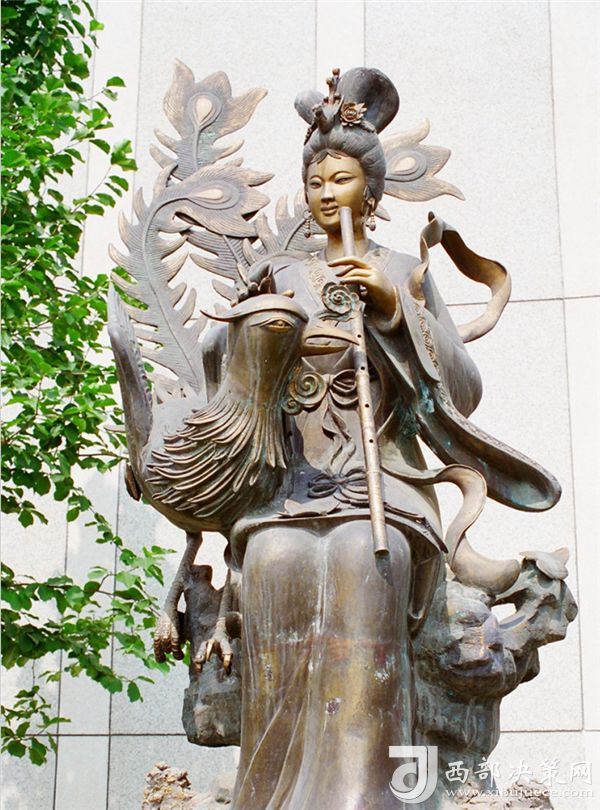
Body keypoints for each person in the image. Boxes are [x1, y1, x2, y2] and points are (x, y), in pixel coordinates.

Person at [221, 68, 560, 810]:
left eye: (340, 179)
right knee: (274, 564)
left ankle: (368, 791)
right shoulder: (278, 273)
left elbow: (461, 386)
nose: (324, 193)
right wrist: (255, 332)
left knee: (362, 563)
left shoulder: (402, 272)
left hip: (384, 488)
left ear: (370, 192)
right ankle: (268, 793)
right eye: (315, 182)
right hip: (292, 488)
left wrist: (392, 310)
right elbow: (233, 381)